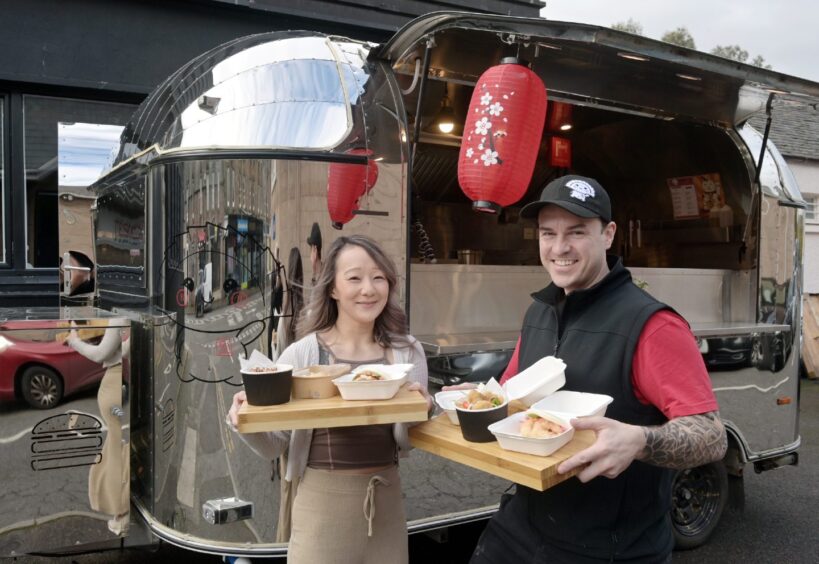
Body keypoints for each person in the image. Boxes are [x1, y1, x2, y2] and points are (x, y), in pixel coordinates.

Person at [465, 175, 727, 564]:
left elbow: (711, 435)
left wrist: (640, 440)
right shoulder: (539, 312)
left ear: (608, 234)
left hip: (610, 546)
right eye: (547, 233)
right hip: (524, 525)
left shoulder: (652, 325)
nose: (559, 248)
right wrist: (469, 401)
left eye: (576, 232)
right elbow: (510, 396)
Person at [228, 234, 432, 564]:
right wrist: (244, 422)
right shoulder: (304, 353)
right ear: (333, 288)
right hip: (321, 506)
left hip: (387, 503)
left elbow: (410, 442)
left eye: (378, 277)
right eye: (355, 278)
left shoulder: (407, 352)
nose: (369, 288)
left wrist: (424, 411)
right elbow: (275, 445)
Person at [66, 319, 130, 535]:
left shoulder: (119, 316)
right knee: (119, 445)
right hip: (120, 384)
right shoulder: (134, 313)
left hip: (112, 385)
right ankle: (122, 511)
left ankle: (121, 515)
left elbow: (100, 354)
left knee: (114, 449)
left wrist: (73, 340)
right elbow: (126, 348)